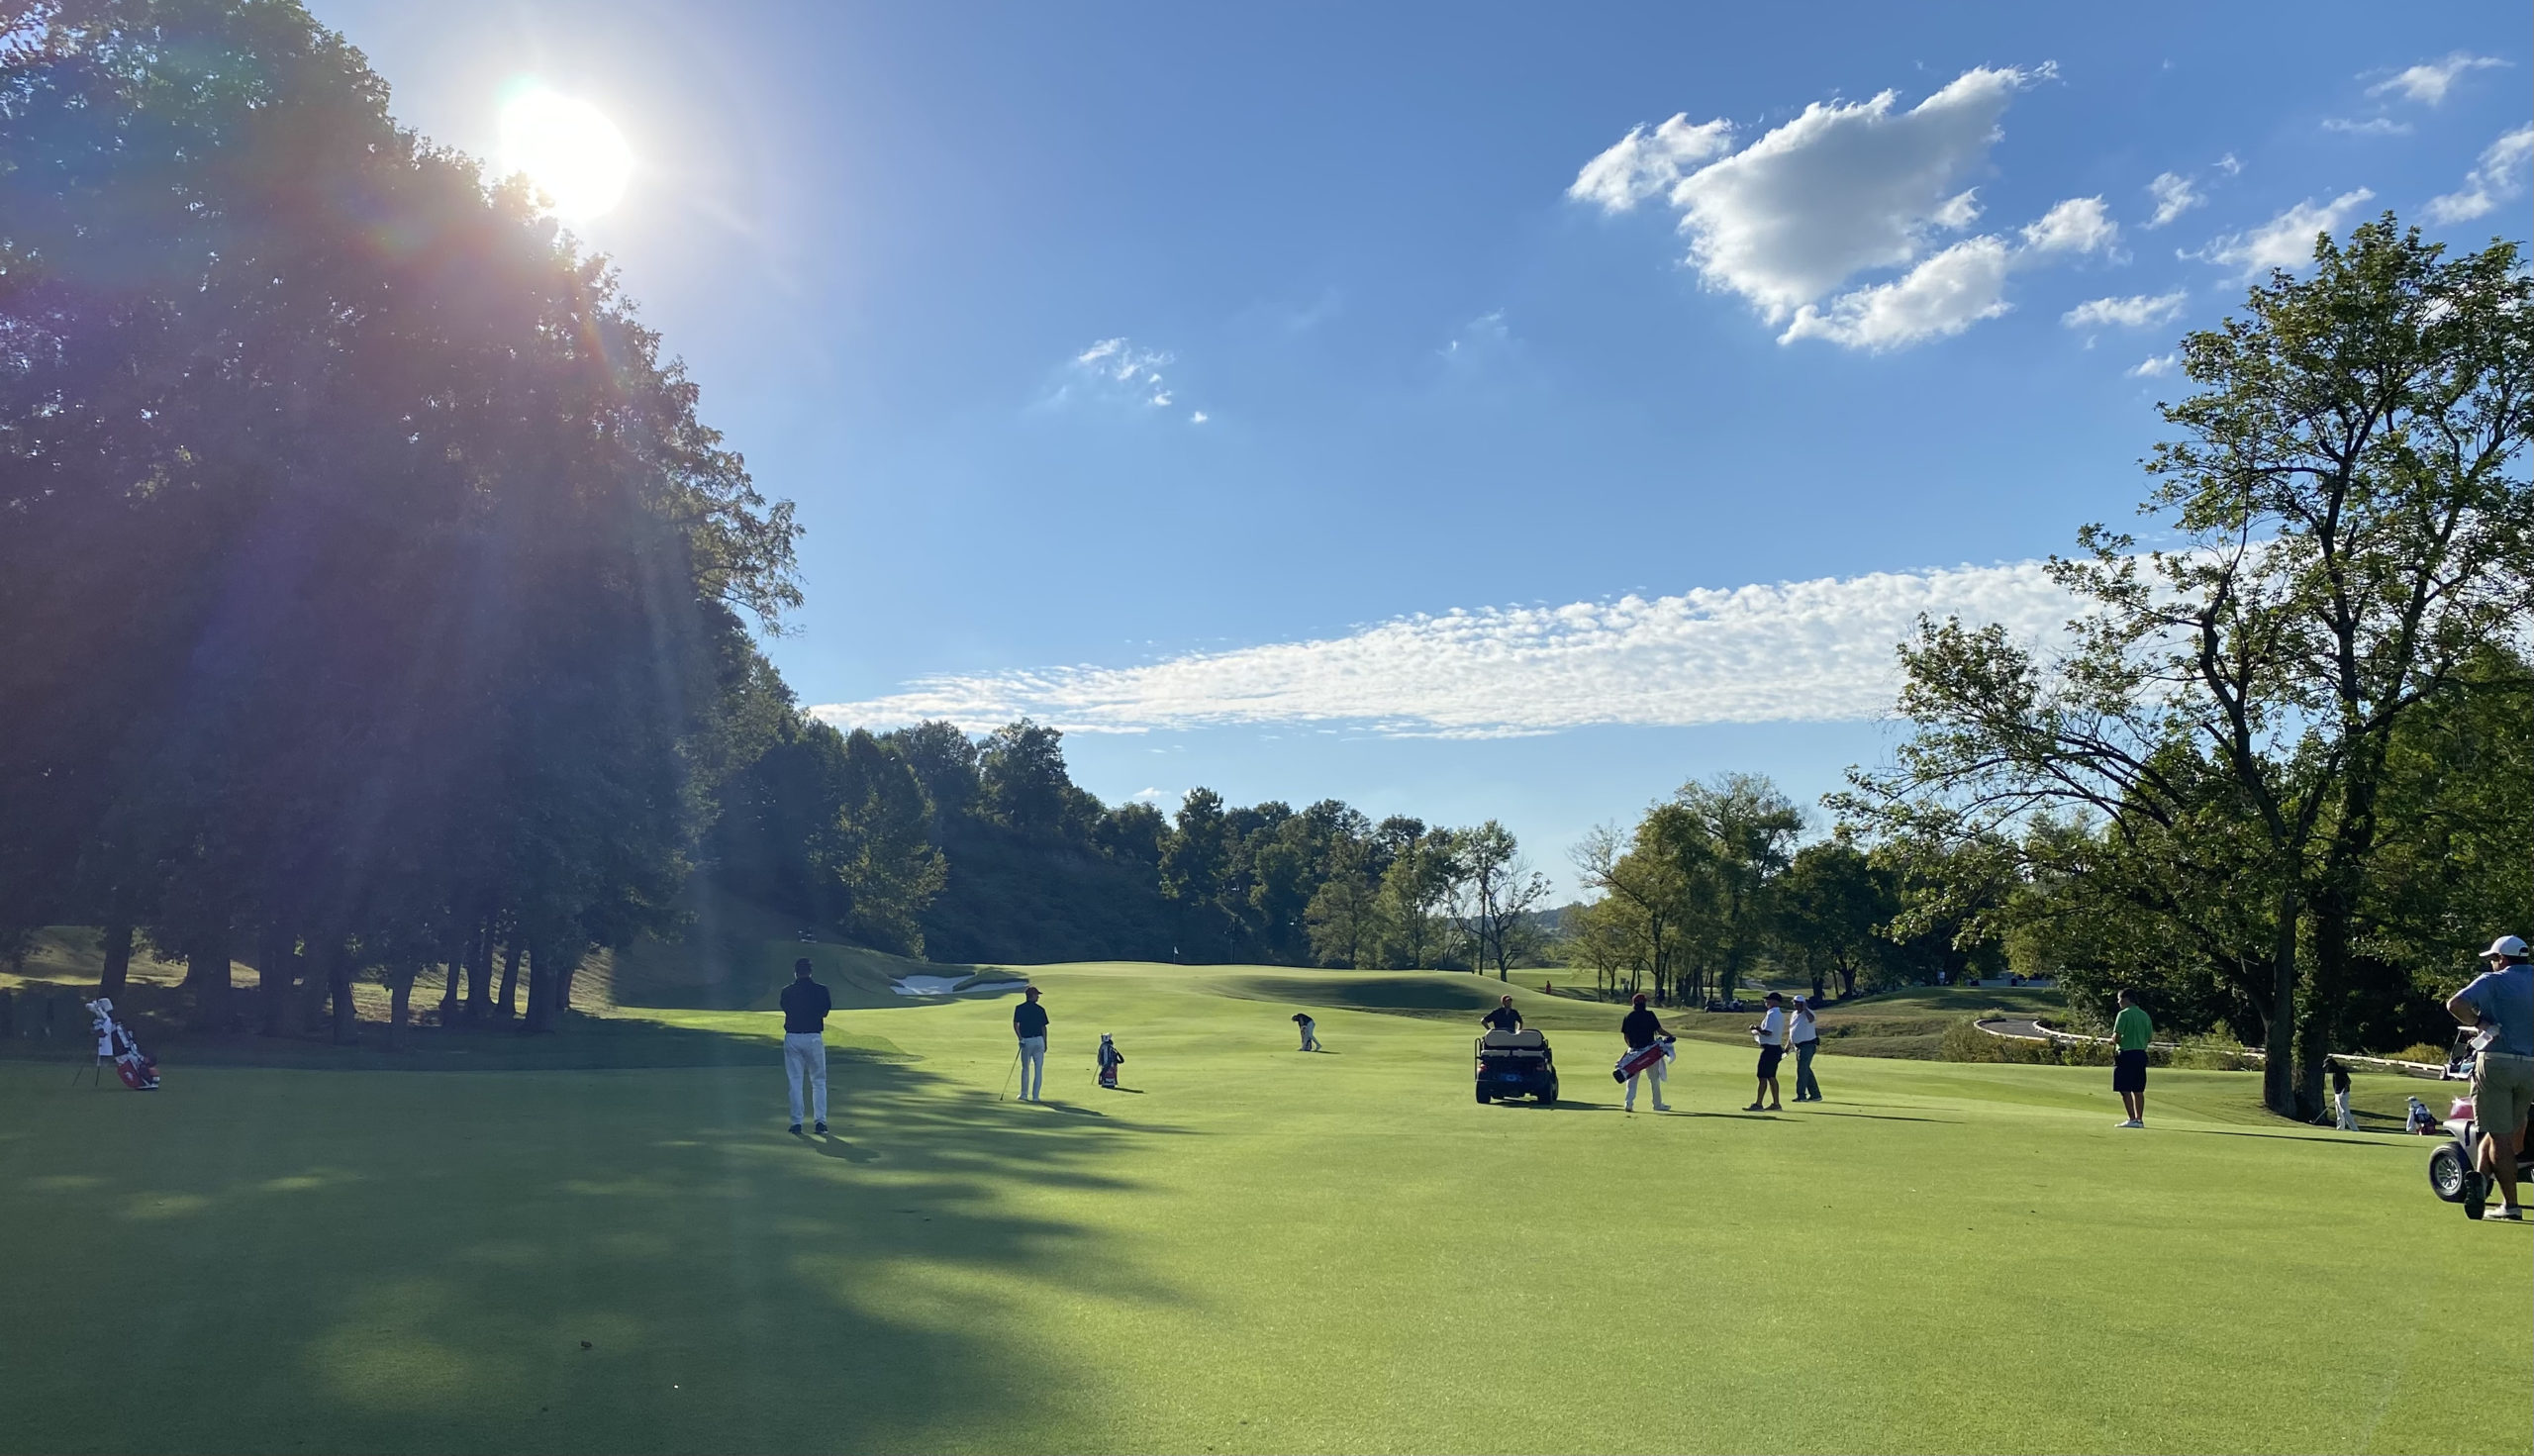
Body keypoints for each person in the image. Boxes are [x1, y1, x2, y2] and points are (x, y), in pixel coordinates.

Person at [2447, 934, 2533, 1220]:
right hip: (2531, 1066)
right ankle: (2481, 1178)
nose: (2493, 963)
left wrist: (2480, 1023)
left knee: (2500, 1137)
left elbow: (2455, 1004)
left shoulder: (2493, 980)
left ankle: (2510, 1205)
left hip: (2497, 1061)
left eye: (2494, 959)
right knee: (2508, 1132)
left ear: (2503, 959)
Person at [779, 958, 831, 1134]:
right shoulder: (821, 990)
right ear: (810, 971)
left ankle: (796, 1123)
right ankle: (820, 1122)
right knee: (818, 1082)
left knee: (795, 1082)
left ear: (795, 972)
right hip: (813, 1037)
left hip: (793, 1037)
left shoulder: (787, 991)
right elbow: (824, 1012)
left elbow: (786, 1009)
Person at [1617, 993, 1671, 1112]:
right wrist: (1670, 1036)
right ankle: (1657, 1105)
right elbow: (1659, 1030)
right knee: (1654, 1079)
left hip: (1634, 1052)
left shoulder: (1629, 1016)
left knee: (1632, 1079)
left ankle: (1629, 1103)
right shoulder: (1650, 1015)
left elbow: (1626, 1036)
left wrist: (1631, 1048)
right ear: (1644, 1003)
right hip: (1650, 1053)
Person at [2112, 988, 2153, 1128]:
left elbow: (2117, 1037)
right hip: (2140, 1054)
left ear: (2126, 999)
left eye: (2119, 1000)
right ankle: (2139, 1120)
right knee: (2138, 1089)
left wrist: (2113, 1040)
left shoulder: (2123, 1014)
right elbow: (2149, 1038)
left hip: (2126, 1053)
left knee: (2124, 1089)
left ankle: (2132, 1118)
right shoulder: (2144, 1015)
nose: (2119, 1003)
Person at [1746, 992, 1789, 1111]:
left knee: (1763, 1076)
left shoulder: (1772, 1014)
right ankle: (1776, 1103)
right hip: (1775, 1049)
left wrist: (1756, 1028)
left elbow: (1768, 1032)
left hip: (1769, 1049)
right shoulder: (1779, 1014)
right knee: (1771, 1076)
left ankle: (1759, 1104)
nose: (1766, 1002)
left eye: (1769, 1000)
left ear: (1775, 1001)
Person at [1013, 985, 1050, 1103]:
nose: (1038, 997)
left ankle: (1024, 1094)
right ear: (1032, 996)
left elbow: (1015, 1025)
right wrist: (1044, 1042)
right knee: (1038, 1069)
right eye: (1037, 995)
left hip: (1027, 1041)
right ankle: (1035, 1097)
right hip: (1038, 1040)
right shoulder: (1040, 1009)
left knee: (1026, 1068)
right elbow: (1043, 1027)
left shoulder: (1019, 1008)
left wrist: (1020, 1038)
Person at [1790, 995, 1822, 1104]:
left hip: (1807, 1045)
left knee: (1802, 1070)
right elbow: (1792, 1030)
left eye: (1797, 1002)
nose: (1795, 1004)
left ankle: (1801, 1095)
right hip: (1798, 1046)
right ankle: (1815, 1095)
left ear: (1803, 1004)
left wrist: (1805, 1008)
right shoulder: (1794, 1014)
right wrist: (1788, 1045)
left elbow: (1811, 1019)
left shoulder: (1809, 1013)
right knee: (1805, 1070)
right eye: (1794, 1002)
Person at [2329, 1059, 2355, 1131]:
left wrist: (2343, 1091)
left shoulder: (2340, 1071)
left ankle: (2354, 1129)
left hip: (2343, 1094)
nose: (2328, 1068)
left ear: (2332, 1065)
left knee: (2344, 1112)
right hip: (2338, 1094)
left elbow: (2348, 1081)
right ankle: (2340, 1129)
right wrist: (2336, 1094)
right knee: (2339, 1113)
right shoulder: (2335, 1072)